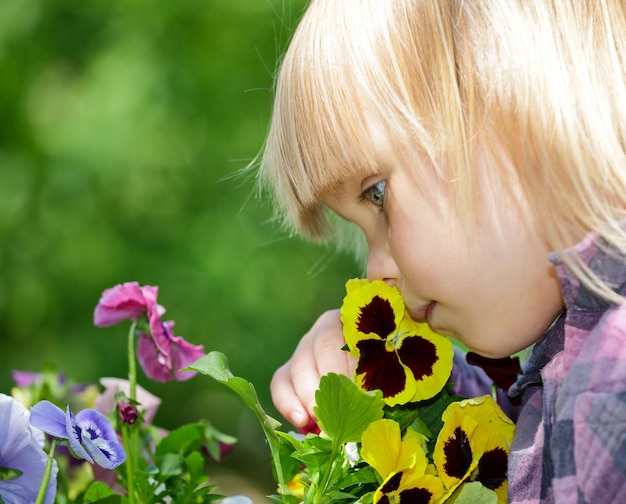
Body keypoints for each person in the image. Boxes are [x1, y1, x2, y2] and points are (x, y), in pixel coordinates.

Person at [257, 1, 626, 502]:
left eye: (378, 195)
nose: (374, 272)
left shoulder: (613, 376)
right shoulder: (576, 358)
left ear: (515, 95)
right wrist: (411, 388)